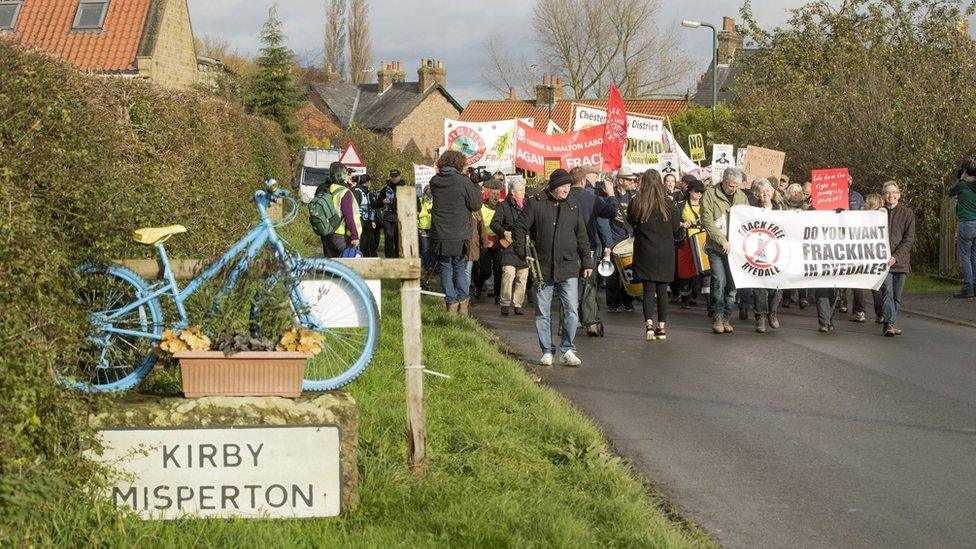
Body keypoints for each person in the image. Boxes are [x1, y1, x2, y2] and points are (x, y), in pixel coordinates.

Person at [514, 168, 592, 367]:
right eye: (564, 186)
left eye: (568, 186)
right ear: (554, 186)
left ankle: (567, 349)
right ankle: (547, 350)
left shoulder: (573, 205)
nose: (567, 190)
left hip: (568, 266)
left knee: (572, 310)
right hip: (542, 267)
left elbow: (581, 234)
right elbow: (520, 228)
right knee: (543, 312)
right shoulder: (535, 203)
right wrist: (524, 252)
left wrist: (587, 260)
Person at [627, 170, 681, 341]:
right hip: (665, 251)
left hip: (645, 250)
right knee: (662, 290)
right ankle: (662, 327)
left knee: (648, 290)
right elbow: (675, 227)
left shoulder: (637, 202)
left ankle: (649, 324)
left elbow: (631, 221)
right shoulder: (669, 203)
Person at [429, 151, 482, 314]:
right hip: (459, 231)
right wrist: (474, 186)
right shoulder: (463, 182)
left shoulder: (434, 181)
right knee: (459, 265)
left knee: (445, 266)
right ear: (459, 164)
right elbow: (475, 204)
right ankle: (463, 304)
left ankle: (450, 303)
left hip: (440, 232)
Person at [701, 167, 749, 334]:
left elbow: (749, 219)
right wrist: (722, 240)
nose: (734, 189)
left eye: (737, 186)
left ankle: (727, 317)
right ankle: (717, 316)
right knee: (719, 281)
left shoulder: (742, 197)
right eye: (731, 185)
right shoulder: (710, 195)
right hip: (716, 248)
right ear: (723, 181)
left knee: (733, 285)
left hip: (735, 250)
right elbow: (706, 221)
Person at [600, 166, 639, 313]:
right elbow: (605, 219)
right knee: (613, 274)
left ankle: (628, 299)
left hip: (629, 238)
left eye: (633, 179)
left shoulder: (634, 195)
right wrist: (607, 243)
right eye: (629, 179)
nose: (632, 181)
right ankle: (612, 302)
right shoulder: (610, 195)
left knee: (629, 271)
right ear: (621, 180)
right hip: (615, 238)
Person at [880, 181, 916, 337]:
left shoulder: (907, 213)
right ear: (883, 195)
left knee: (897, 296)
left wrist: (896, 257)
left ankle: (890, 322)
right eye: (887, 192)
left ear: (899, 194)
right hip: (883, 261)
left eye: (893, 192)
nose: (891, 195)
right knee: (887, 292)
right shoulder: (878, 213)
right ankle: (890, 323)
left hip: (900, 262)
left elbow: (909, 239)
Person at [491, 178, 529, 315]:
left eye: (524, 189)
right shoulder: (503, 206)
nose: (524, 192)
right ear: (513, 192)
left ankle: (518, 304)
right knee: (508, 274)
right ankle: (505, 303)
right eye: (521, 190)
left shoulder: (527, 204)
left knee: (522, 277)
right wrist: (503, 232)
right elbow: (494, 224)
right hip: (509, 247)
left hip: (523, 246)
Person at [749, 178, 784, 333]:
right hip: (758, 252)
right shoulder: (750, 210)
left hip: (777, 253)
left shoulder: (780, 208)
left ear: (772, 191)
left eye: (767, 191)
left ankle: (773, 313)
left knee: (777, 286)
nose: (765, 194)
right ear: (756, 194)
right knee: (760, 286)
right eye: (761, 192)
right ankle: (760, 317)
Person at [314, 162, 361, 258]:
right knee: (350, 265)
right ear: (343, 175)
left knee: (333, 266)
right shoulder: (344, 192)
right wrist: (355, 236)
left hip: (328, 233)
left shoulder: (327, 189)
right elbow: (349, 216)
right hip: (342, 235)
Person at [948, 157, 976, 298]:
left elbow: (950, 191)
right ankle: (975, 286)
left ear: (965, 170)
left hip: (967, 223)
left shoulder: (962, 184)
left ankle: (967, 288)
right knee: (974, 255)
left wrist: (960, 178)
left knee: (965, 256)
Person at [676, 178, 706, 309]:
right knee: (686, 270)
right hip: (686, 241)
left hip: (702, 240)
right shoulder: (680, 205)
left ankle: (698, 295)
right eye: (697, 191)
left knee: (703, 270)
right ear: (690, 191)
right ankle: (685, 297)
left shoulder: (706, 204)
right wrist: (682, 224)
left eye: (701, 191)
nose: (699, 194)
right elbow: (672, 222)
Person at [864, 193, 888, 323]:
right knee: (875, 286)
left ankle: (877, 312)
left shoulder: (881, 216)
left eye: (866, 202)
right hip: (868, 255)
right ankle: (880, 313)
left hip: (872, 255)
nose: (864, 204)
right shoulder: (881, 216)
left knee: (874, 285)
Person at [477, 189, 503, 304]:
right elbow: (478, 225)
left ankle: (498, 295)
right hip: (485, 240)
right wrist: (484, 240)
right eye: (493, 194)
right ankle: (478, 286)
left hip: (498, 241)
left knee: (498, 270)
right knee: (486, 271)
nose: (496, 196)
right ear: (488, 195)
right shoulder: (482, 207)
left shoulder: (501, 207)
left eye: (497, 194)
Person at [352, 174, 380, 257]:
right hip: (360, 223)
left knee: (370, 244)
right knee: (362, 244)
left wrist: (372, 220)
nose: (370, 183)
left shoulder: (368, 193)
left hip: (368, 223)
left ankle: (370, 259)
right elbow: (354, 207)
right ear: (367, 182)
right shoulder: (357, 192)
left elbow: (373, 206)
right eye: (370, 181)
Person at [379, 169, 404, 258]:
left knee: (399, 240)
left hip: (401, 218)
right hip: (388, 218)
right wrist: (383, 201)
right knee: (389, 240)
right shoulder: (385, 188)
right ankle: (389, 259)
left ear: (399, 176)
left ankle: (399, 257)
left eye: (396, 176)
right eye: (392, 176)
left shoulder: (405, 187)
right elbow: (378, 202)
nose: (394, 178)